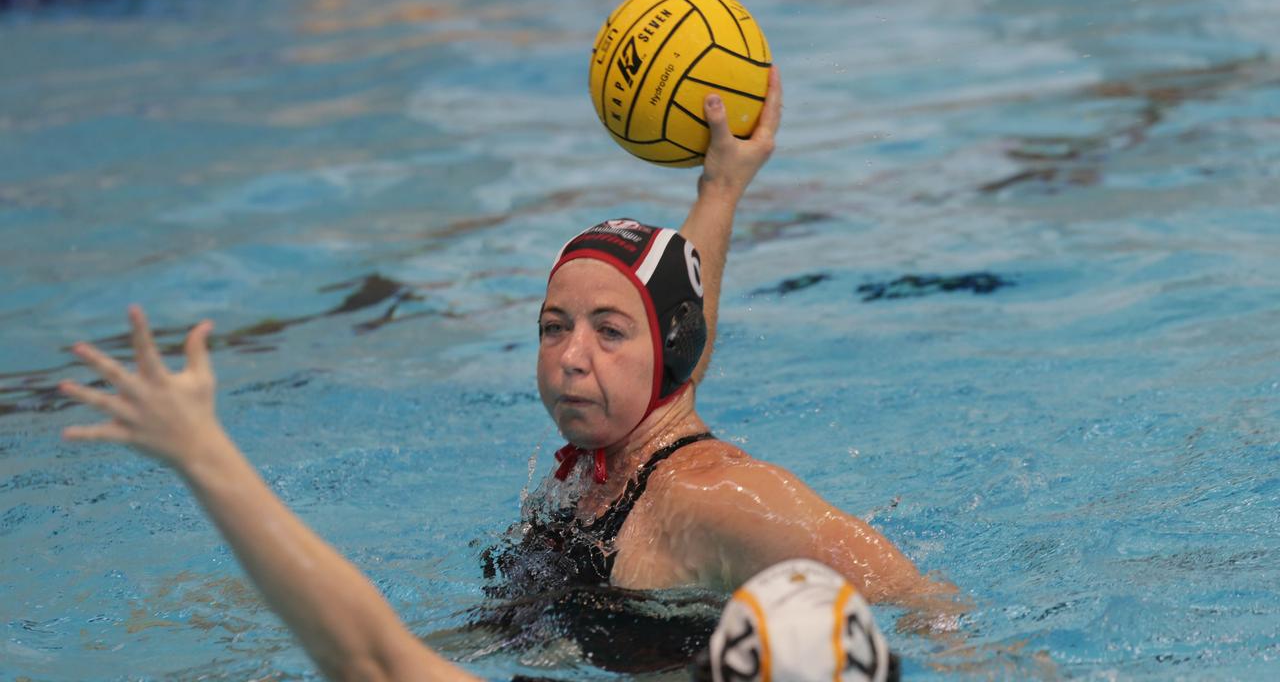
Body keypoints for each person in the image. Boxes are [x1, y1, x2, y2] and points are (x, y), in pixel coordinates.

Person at [57, 69, 953, 680]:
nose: (571, 357)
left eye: (607, 331)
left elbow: (908, 591)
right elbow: (677, 338)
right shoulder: (635, 448)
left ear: (665, 358)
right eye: (553, 326)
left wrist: (204, 453)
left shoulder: (714, 498)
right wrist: (720, 192)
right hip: (541, 634)